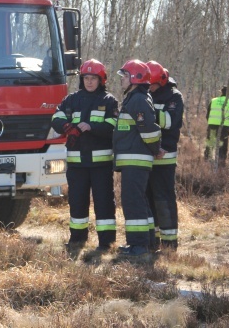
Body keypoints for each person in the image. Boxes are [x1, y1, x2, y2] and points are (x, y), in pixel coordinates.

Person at [51, 59, 119, 252]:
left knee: (104, 203)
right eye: (86, 78)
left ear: (101, 80)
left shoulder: (109, 101)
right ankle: (77, 240)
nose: (89, 82)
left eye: (93, 78)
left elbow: (113, 125)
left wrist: (92, 127)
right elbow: (56, 116)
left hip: (101, 165)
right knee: (77, 202)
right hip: (77, 165)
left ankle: (106, 243)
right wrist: (67, 127)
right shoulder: (71, 99)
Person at [114, 60, 161, 257]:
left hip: (136, 160)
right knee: (139, 201)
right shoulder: (134, 99)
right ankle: (147, 242)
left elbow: (149, 130)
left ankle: (138, 246)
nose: (122, 80)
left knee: (133, 202)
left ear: (135, 78)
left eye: (125, 76)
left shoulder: (138, 100)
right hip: (132, 160)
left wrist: (155, 148)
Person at [145, 61, 183, 251]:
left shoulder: (174, 96)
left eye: (151, 84)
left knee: (164, 199)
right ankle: (153, 241)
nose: (149, 88)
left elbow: (169, 122)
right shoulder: (144, 94)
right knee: (148, 199)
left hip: (164, 156)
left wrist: (145, 113)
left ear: (161, 81)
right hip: (146, 156)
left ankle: (169, 244)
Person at [205, 86, 229, 167]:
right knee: (222, 147)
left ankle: (206, 163)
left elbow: (207, 115)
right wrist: (227, 127)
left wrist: (211, 123)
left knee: (210, 145)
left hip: (212, 125)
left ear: (221, 92)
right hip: (224, 127)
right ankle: (221, 164)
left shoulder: (213, 100)